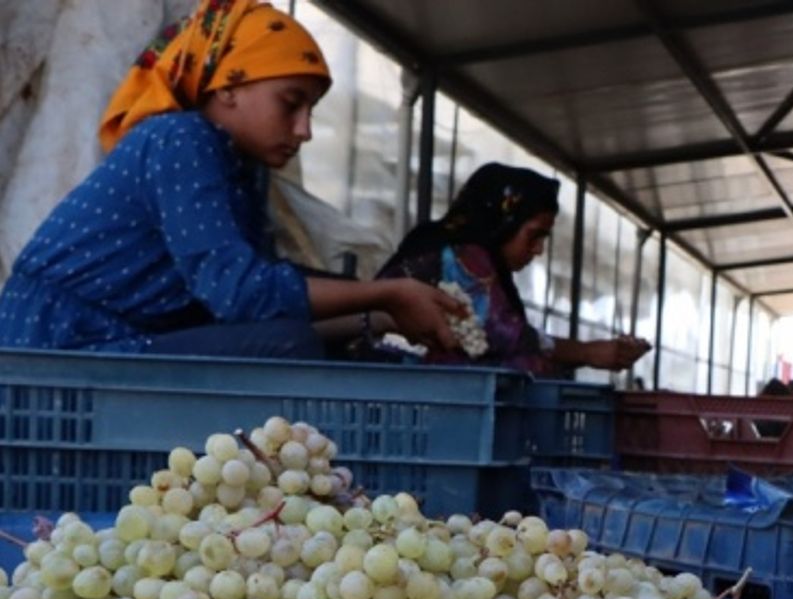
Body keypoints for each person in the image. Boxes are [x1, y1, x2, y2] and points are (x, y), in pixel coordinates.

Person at [0, 0, 462, 359]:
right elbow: (241, 295)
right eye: (290, 103)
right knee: (286, 345)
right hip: (60, 350)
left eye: (311, 111)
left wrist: (382, 315)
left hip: (113, 345)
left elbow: (262, 297)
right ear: (227, 87)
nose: (304, 129)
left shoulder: (239, 171)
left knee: (301, 340)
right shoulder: (180, 140)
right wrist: (387, 292)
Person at [363, 163, 652, 376]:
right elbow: (498, 334)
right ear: (503, 224)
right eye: (533, 235)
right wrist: (588, 352)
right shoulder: (461, 256)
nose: (538, 250)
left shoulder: (454, 248)